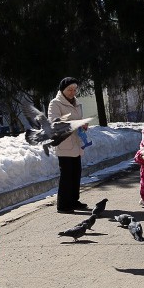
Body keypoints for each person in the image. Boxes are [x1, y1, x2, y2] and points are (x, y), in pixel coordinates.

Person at [48, 77, 90, 214]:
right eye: (69, 90)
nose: (72, 92)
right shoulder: (55, 103)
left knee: (76, 174)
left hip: (76, 144)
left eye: (74, 89)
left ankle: (73, 200)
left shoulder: (77, 103)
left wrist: (83, 125)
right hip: (64, 144)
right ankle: (63, 205)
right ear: (62, 90)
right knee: (66, 175)